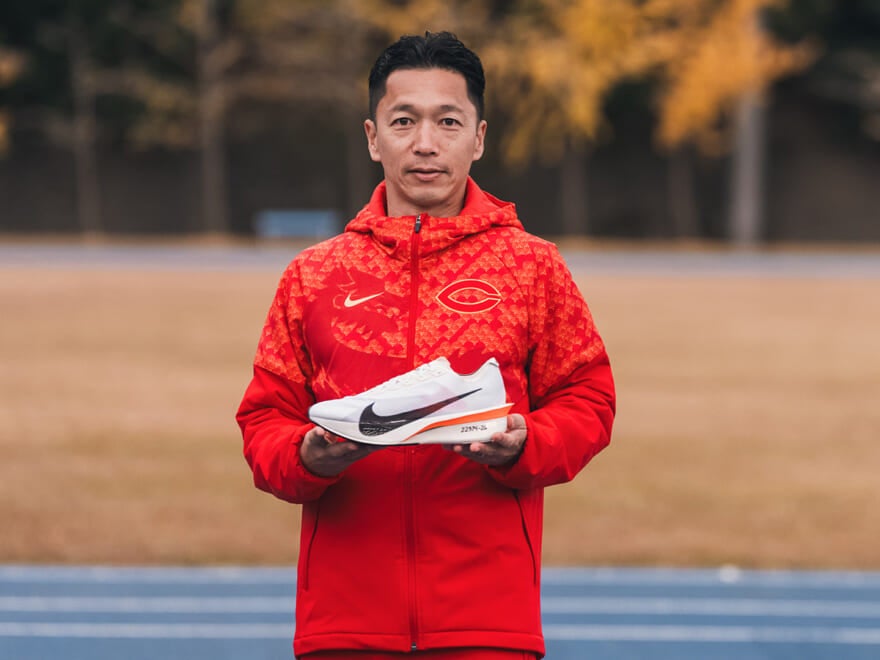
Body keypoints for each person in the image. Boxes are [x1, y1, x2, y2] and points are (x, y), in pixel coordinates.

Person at [236, 31, 616, 660]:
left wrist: (526, 443)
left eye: (448, 121)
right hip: (345, 626)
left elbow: (589, 400)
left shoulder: (532, 266)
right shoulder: (314, 275)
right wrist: (308, 456)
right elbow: (263, 421)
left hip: (487, 625)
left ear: (479, 137)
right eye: (404, 120)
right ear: (372, 137)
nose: (425, 143)